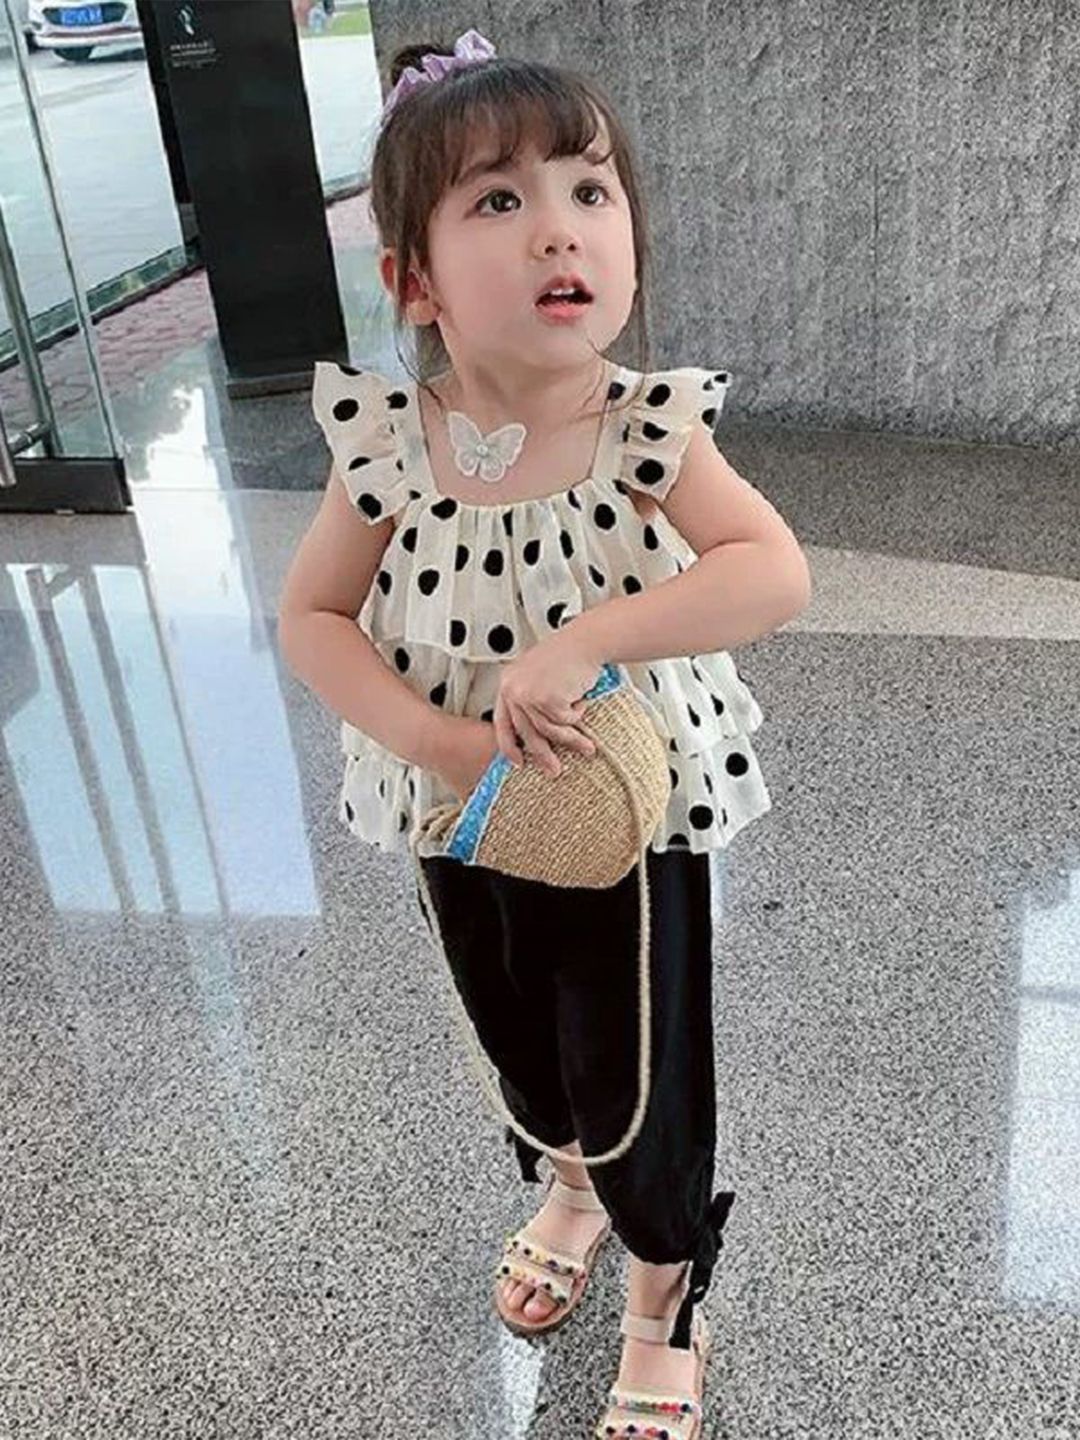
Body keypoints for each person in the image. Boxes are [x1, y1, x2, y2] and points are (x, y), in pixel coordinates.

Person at [278, 26, 811, 1439]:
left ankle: (663, 1281)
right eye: (498, 201)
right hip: (459, 808)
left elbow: (772, 571)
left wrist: (584, 642)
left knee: (633, 1050)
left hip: (624, 812)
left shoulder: (643, 428)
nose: (559, 229)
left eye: (589, 190)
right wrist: (439, 744)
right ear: (414, 280)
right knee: (511, 1024)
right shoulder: (391, 442)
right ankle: (569, 1188)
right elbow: (313, 618)